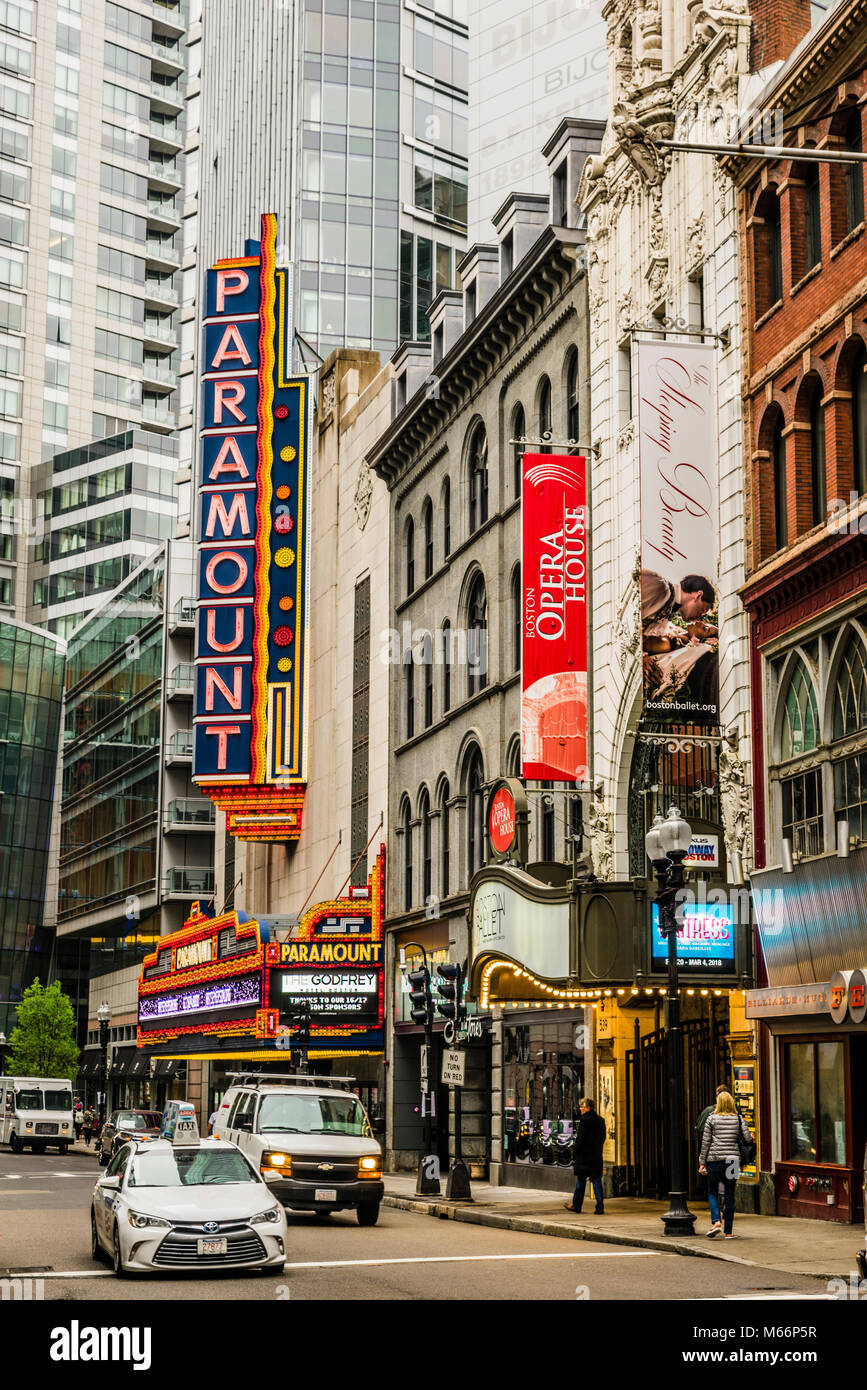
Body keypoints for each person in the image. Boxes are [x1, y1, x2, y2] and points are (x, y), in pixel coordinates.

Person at [641, 570, 718, 705]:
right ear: (698, 595)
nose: (700, 617)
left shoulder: (667, 611)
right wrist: (641, 656)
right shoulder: (660, 587)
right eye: (703, 610)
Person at [699, 1090, 753, 1239]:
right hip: (732, 1160)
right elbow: (748, 1139)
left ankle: (716, 1221)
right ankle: (728, 1231)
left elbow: (706, 1143)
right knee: (730, 1193)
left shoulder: (711, 1119)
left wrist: (702, 1163)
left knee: (712, 1191)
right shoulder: (738, 1118)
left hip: (714, 1160)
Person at [564, 1097, 607, 1215]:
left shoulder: (584, 1120)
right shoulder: (600, 1120)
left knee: (581, 1181)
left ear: (587, 1108)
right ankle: (600, 1207)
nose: (580, 1109)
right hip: (596, 1155)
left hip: (584, 1156)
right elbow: (603, 1137)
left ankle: (576, 1205)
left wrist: (575, 1152)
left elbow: (580, 1139)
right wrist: (597, 1148)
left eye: (582, 1106)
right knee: (596, 1180)